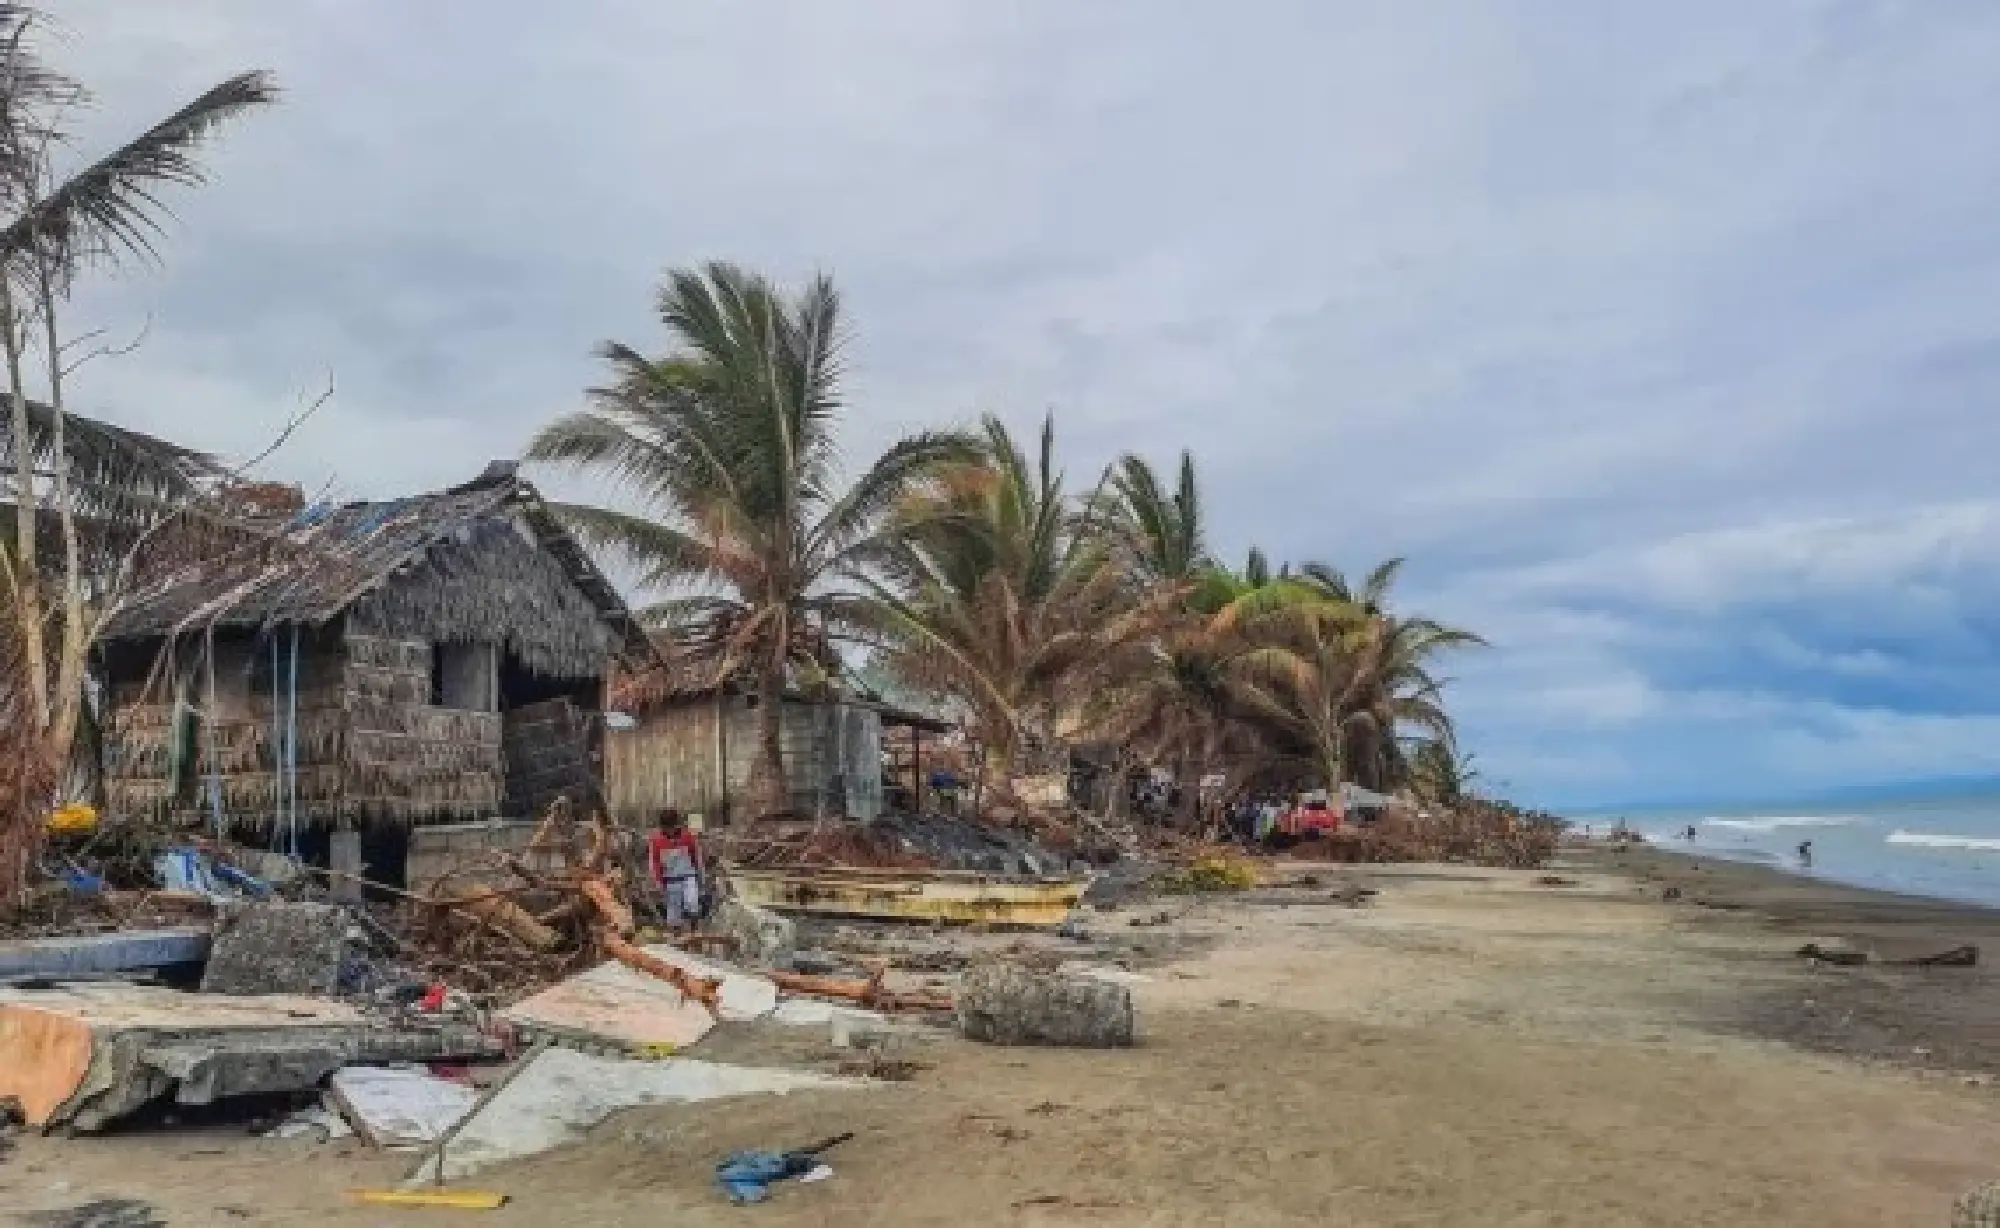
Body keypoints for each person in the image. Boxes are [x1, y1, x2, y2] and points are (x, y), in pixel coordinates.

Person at [647, 807, 705, 928]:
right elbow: (655, 862)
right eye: (667, 828)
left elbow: (696, 856)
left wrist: (700, 875)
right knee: (674, 916)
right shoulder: (656, 840)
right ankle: (677, 935)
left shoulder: (687, 836)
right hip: (671, 880)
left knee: (692, 904)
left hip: (689, 877)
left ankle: (694, 927)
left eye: (672, 827)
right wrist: (658, 882)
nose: (670, 831)